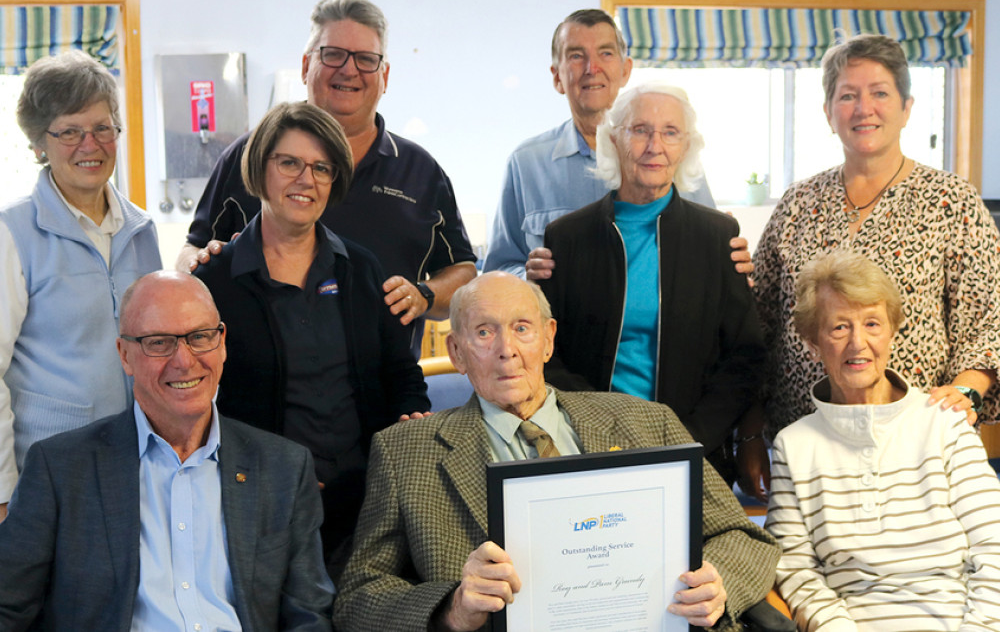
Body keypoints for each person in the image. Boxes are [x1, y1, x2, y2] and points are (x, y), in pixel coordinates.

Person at [333, 271, 779, 632]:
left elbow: (745, 538)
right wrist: (452, 608)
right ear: (457, 352)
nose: (506, 351)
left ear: (548, 340)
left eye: (521, 329)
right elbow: (357, 599)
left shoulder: (648, 422)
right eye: (484, 332)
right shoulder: (405, 452)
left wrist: (718, 584)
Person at [0, 270, 333, 630]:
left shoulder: (284, 468)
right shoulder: (60, 469)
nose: (184, 361)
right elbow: (7, 607)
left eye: (200, 337)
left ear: (221, 343)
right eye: (159, 342)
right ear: (124, 355)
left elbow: (309, 616)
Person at [748, 33, 1000, 499]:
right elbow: (756, 329)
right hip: (806, 446)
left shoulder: (952, 203)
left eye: (880, 93)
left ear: (906, 108)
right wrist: (749, 432)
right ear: (829, 113)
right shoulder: (797, 205)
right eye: (848, 95)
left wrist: (967, 390)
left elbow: (990, 321)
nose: (864, 108)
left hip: (919, 449)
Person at [194, 100, 429, 581]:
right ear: (261, 170)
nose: (307, 179)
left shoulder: (361, 269)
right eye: (290, 163)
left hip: (366, 505)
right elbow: (199, 403)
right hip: (265, 505)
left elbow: (401, 372)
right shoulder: (216, 282)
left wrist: (411, 421)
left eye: (322, 167)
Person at [179, 0, 476, 352]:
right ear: (306, 66)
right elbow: (191, 253)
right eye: (333, 54)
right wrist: (201, 264)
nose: (349, 70)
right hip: (259, 396)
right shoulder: (249, 155)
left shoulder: (421, 172)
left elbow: (463, 273)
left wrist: (424, 295)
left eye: (366, 59)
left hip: (384, 396)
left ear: (385, 76)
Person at [538, 81, 765, 483]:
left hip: (694, 451)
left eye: (670, 132)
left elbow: (743, 358)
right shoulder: (566, 238)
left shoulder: (718, 238)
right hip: (586, 448)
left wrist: (689, 439)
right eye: (640, 129)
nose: (654, 145)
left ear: (687, 146)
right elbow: (546, 353)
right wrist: (599, 425)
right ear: (614, 139)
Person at [765, 250, 1000, 630]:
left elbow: (995, 547)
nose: (858, 343)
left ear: (892, 329)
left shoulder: (945, 422)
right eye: (839, 327)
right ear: (812, 341)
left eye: (872, 324)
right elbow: (796, 571)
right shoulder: (793, 446)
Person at [0, 51, 161, 522]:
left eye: (102, 128)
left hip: (133, 467)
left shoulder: (141, 229)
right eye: (69, 131)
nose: (89, 144)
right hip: (46, 476)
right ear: (38, 143)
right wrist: (4, 491)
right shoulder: (13, 233)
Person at [483, 8, 754, 282]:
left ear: (625, 71)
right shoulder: (526, 163)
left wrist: (729, 258)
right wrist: (530, 278)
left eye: (606, 53)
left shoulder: (669, 156)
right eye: (576, 56)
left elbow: (708, 252)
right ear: (557, 77)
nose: (592, 68)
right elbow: (499, 268)